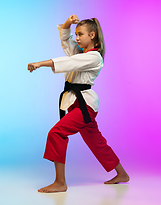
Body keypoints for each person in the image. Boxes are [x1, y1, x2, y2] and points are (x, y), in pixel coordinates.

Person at [27, 15, 129, 193]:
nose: (77, 37)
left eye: (80, 34)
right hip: (75, 103)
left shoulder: (94, 57)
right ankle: (122, 174)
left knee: (56, 133)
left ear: (92, 35)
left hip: (85, 106)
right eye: (76, 34)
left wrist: (41, 64)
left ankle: (60, 182)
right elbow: (66, 41)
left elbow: (69, 62)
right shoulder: (80, 53)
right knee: (96, 141)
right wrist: (67, 24)